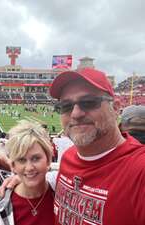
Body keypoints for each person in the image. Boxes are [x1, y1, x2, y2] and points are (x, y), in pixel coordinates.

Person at [49, 67, 145, 225]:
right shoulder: (69, 157)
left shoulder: (139, 171)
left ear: (115, 108)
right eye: (66, 106)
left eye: (88, 103)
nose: (76, 114)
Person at [0, 120, 54, 225]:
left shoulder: (62, 195)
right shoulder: (0, 208)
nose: (29, 168)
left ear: (49, 160)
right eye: (22, 160)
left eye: (36, 158)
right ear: (13, 166)